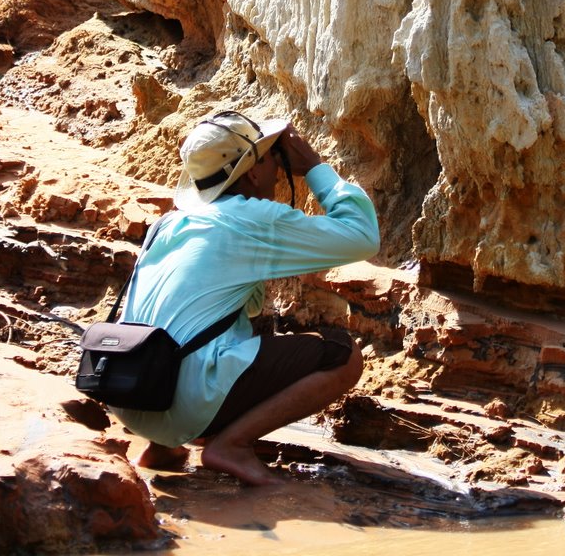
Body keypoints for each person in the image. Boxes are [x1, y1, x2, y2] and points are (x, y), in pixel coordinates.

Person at [110, 109, 381, 486]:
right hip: (180, 400)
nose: (275, 167)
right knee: (343, 355)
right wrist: (317, 168)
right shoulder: (249, 219)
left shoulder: (169, 222)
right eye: (270, 156)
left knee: (222, 328)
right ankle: (232, 446)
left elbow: (243, 308)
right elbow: (362, 236)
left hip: (131, 392)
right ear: (253, 172)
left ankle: (162, 447)